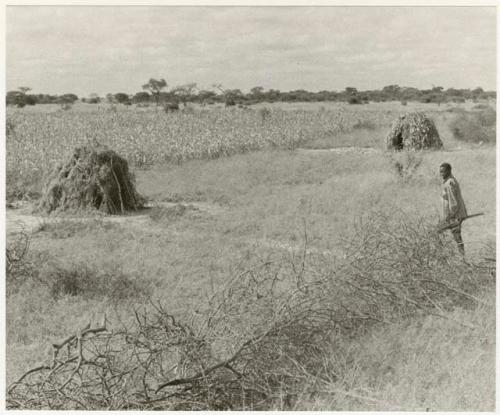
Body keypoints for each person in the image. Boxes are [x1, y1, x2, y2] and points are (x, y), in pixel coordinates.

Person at [440, 163, 467, 255]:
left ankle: (462, 257)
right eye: (440, 172)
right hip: (454, 215)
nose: (441, 174)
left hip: (454, 215)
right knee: (456, 236)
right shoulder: (449, 181)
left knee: (456, 236)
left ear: (449, 171)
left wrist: (450, 217)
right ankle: (460, 256)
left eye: (443, 172)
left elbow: (453, 202)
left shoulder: (450, 183)